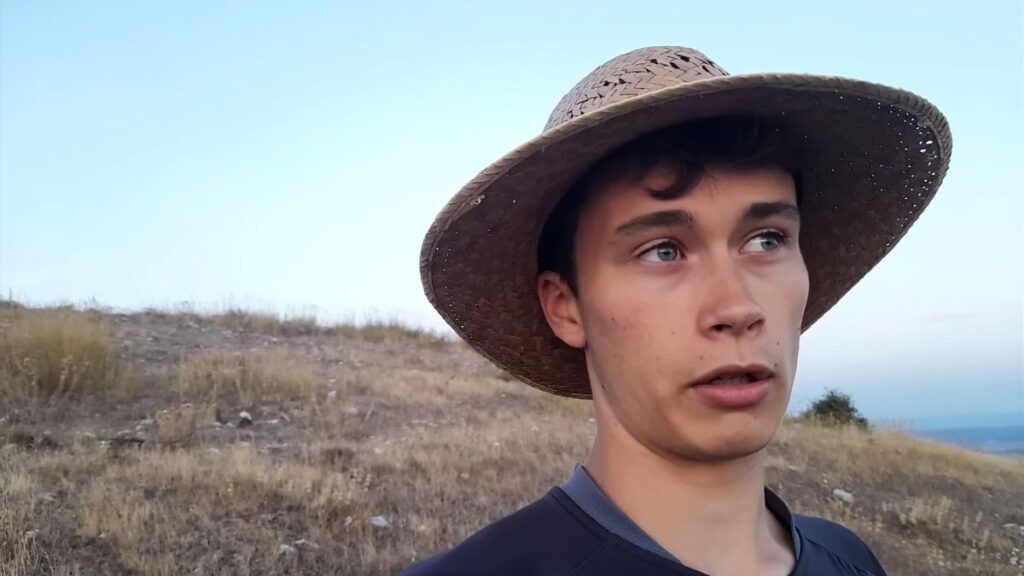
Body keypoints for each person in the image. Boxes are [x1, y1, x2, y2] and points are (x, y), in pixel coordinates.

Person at [404, 46, 951, 576]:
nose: (737, 308)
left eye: (766, 240)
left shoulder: (850, 558)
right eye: (663, 251)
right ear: (566, 307)